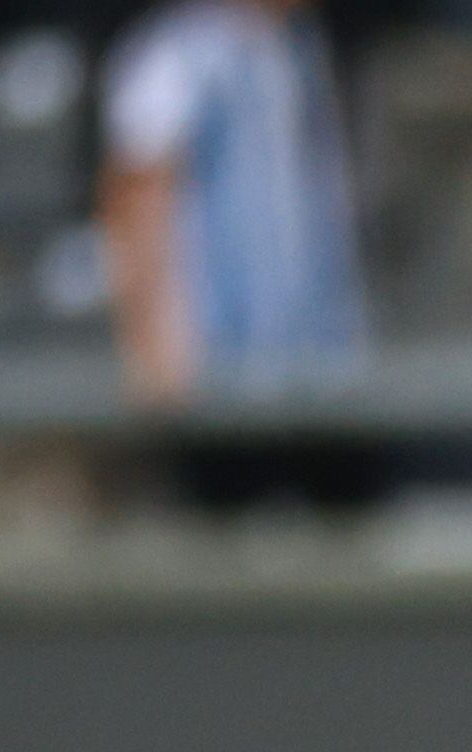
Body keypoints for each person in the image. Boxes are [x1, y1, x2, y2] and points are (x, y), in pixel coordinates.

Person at [97, 0, 375, 512]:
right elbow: (136, 195)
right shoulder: (176, 53)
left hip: (312, 366)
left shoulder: (295, 48)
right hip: (219, 371)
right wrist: (152, 341)